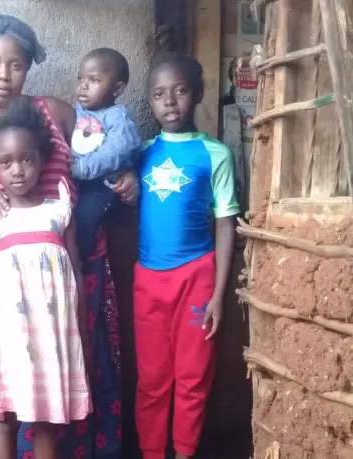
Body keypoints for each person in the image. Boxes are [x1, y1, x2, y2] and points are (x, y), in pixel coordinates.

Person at [0, 13, 138, 459]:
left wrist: (126, 174)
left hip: (70, 271)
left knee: (77, 370)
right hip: (8, 285)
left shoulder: (57, 113)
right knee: (14, 397)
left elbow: (105, 148)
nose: (3, 75)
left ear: (28, 68)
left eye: (15, 64)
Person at [0, 97, 91, 459]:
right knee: (5, 422)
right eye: (6, 162)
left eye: (27, 159)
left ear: (42, 160)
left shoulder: (60, 211)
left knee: (46, 422)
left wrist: (80, 329)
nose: (17, 170)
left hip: (52, 336)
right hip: (7, 338)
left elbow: (76, 271)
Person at [133, 51, 240, 459]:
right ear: (149, 100)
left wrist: (218, 295)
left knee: (193, 377)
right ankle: (151, 452)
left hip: (197, 277)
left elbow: (226, 224)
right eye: (159, 94)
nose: (170, 101)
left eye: (179, 91)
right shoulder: (140, 153)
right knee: (152, 380)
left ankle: (185, 451)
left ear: (197, 94)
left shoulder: (215, 154)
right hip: (147, 279)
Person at [71, 48, 142, 263]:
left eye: (93, 80)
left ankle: (82, 260)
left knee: (85, 217)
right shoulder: (76, 111)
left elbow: (117, 150)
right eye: (81, 78)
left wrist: (83, 167)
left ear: (117, 89)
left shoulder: (117, 116)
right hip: (80, 181)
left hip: (105, 183)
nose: (83, 86)